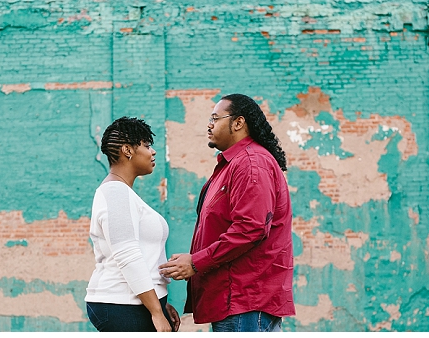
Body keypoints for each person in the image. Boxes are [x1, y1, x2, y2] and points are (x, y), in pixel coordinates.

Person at [158, 94, 295, 332]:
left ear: (238, 123)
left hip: (245, 301)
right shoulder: (233, 165)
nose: (209, 124)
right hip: (235, 301)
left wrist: (196, 262)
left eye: (215, 118)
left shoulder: (251, 163)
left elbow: (250, 228)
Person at [85, 116, 181, 332]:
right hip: (122, 305)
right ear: (127, 150)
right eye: (146, 145)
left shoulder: (124, 193)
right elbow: (127, 255)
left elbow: (144, 256)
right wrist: (156, 311)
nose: (152, 151)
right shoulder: (115, 192)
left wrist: (160, 304)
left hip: (135, 304)